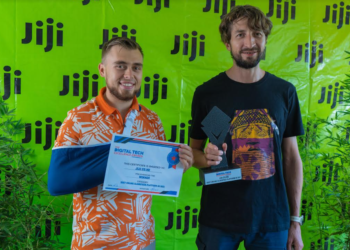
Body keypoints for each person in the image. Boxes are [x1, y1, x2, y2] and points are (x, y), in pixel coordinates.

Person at [48, 37, 193, 250]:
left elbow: (153, 176)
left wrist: (179, 164)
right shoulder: (78, 119)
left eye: (136, 67)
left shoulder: (152, 121)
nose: (129, 75)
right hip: (93, 244)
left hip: (143, 242)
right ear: (102, 69)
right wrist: (119, 157)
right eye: (120, 66)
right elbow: (58, 181)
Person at [190, 5, 304, 250]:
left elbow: (291, 158)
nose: (250, 42)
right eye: (240, 34)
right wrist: (206, 158)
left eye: (257, 34)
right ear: (228, 43)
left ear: (265, 40)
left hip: (272, 220)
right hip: (218, 220)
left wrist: (295, 220)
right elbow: (194, 154)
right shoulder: (209, 94)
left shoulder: (284, 93)